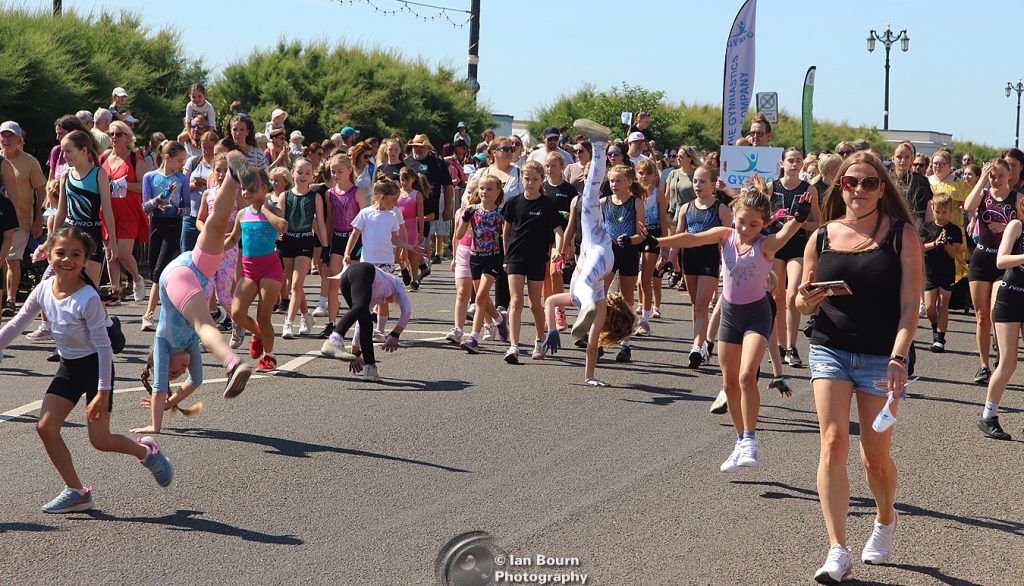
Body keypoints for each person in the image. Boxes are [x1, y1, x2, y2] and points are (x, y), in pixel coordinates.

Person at [795, 152, 921, 582]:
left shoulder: (901, 235)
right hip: (829, 347)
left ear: (882, 189)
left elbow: (910, 306)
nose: (860, 190)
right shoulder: (822, 237)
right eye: (852, 182)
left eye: (869, 183)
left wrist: (898, 356)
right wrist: (805, 298)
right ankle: (837, 550)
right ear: (840, 186)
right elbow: (798, 297)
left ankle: (886, 518)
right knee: (832, 443)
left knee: (875, 458)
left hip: (881, 358)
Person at [0, 227, 172, 513]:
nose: (67, 259)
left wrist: (102, 394)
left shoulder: (87, 299)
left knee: (100, 441)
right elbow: (17, 323)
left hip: (95, 367)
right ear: (49, 256)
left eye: (75, 254)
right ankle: (77, 492)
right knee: (46, 427)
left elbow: (104, 349)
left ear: (84, 261)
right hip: (70, 366)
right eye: (61, 253)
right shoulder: (43, 289)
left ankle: (146, 451)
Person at [540, 120, 636, 385]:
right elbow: (592, 344)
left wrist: (551, 330)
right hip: (601, 253)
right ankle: (599, 145)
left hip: (597, 246)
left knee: (590, 197)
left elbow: (549, 302)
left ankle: (599, 144)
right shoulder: (602, 306)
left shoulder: (592, 304)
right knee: (583, 284)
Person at [501, 160, 564, 363]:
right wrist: (505, 256)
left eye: (535, 179)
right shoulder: (513, 203)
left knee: (534, 303)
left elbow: (558, 231)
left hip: (537, 257)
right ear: (522, 179)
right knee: (516, 300)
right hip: (515, 256)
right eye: (527, 179)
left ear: (541, 180)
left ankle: (540, 339)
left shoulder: (546, 204)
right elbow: (506, 231)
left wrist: (558, 250)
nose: (530, 183)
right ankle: (514, 346)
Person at [226, 163, 287, 372]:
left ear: (264, 188)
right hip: (249, 269)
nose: (246, 192)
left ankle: (269, 356)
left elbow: (282, 226)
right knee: (237, 312)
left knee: (264, 315)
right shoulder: (243, 214)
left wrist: (264, 209)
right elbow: (234, 239)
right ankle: (259, 334)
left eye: (252, 188)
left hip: (270, 267)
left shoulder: (273, 209)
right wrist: (211, 248)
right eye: (244, 188)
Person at [671, 164, 731, 367]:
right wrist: (669, 258)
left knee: (703, 304)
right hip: (689, 257)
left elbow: (726, 241)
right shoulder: (685, 208)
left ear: (713, 184)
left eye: (702, 181)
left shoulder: (721, 209)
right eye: (695, 181)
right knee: (695, 304)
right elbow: (679, 236)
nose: (698, 185)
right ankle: (700, 344)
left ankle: (697, 346)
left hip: (709, 258)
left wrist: (727, 265)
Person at [962, 158, 1016, 384]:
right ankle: (984, 366)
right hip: (981, 258)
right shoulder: (984, 195)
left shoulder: (1018, 199)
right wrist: (982, 179)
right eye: (992, 175)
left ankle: (1000, 356)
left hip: (1003, 262)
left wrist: (1008, 227)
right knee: (982, 316)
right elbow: (968, 207)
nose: (995, 180)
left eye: (999, 176)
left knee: (995, 312)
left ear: (1009, 176)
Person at [767, 148, 821, 368]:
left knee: (792, 296)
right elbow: (761, 219)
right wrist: (775, 218)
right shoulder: (772, 187)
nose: (795, 164)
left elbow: (818, 223)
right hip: (777, 244)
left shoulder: (809, 189)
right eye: (790, 160)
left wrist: (798, 221)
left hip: (798, 245)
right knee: (778, 296)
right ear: (782, 163)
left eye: (799, 161)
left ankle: (792, 346)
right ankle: (780, 346)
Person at [977, 191, 1024, 440]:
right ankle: (988, 416)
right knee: (1008, 362)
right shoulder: (1016, 225)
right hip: (1011, 297)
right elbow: (1001, 260)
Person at [319, 262, 411, 381]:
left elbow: (359, 326)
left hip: (346, 279)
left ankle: (370, 368)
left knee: (365, 322)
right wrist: (395, 334)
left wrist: (355, 354)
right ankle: (334, 340)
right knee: (361, 308)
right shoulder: (395, 282)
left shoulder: (372, 294)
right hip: (363, 270)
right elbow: (407, 311)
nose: (388, 302)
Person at [52, 130, 116, 287]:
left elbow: (107, 210)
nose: (64, 156)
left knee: (90, 288)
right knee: (65, 285)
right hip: (70, 233)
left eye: (68, 151)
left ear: (84, 150)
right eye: (62, 151)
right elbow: (61, 211)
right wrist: (52, 239)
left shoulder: (98, 174)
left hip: (92, 235)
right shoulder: (65, 175)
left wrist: (112, 241)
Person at [139, 142, 190, 332]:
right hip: (156, 224)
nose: (181, 165)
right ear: (167, 157)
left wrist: (175, 208)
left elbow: (187, 209)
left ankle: (148, 314)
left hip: (173, 226)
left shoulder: (182, 179)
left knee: (159, 270)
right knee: (155, 270)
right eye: (179, 161)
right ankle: (173, 311)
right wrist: (161, 197)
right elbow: (145, 206)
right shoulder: (149, 177)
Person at [456, 175, 510, 354]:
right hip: (475, 257)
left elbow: (506, 238)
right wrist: (464, 219)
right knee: (483, 298)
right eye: (481, 188)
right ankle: (500, 320)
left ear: (497, 192)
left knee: (479, 297)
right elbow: (458, 235)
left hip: (493, 258)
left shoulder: (501, 213)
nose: (484, 192)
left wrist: (507, 258)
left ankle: (473, 337)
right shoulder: (472, 210)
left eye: (489, 189)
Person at [1, 121, 46, 317]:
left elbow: (41, 193)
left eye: (11, 136)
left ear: (20, 139)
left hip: (20, 220)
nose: (6, 140)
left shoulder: (30, 162)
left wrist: (39, 219)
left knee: (11, 258)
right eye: (3, 135)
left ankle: (10, 299)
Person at [317, 154, 366, 336]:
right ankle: (332, 322)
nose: (336, 175)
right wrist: (325, 246)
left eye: (339, 171)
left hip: (354, 238)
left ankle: (360, 320)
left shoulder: (357, 192)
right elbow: (329, 221)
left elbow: (364, 220)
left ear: (349, 171)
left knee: (353, 283)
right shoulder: (330, 194)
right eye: (333, 172)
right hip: (337, 237)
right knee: (333, 281)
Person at [100, 120, 149, 303]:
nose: (114, 137)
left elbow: (145, 186)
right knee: (110, 253)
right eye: (111, 134)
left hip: (128, 211)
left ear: (127, 137)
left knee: (122, 251)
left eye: (118, 134)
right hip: (107, 210)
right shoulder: (104, 157)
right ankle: (115, 292)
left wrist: (124, 185)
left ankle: (137, 278)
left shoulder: (135, 158)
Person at [279, 158, 327, 339]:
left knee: (298, 284)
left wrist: (325, 246)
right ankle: (307, 316)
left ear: (312, 175)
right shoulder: (285, 196)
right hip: (288, 242)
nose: (303, 176)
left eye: (308, 173)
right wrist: (277, 241)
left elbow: (320, 223)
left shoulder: (315, 197)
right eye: (300, 172)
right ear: (292, 172)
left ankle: (288, 323)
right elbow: (280, 222)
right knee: (293, 285)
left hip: (306, 241)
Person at [920, 195, 962, 353]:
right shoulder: (926, 227)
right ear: (932, 209)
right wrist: (935, 243)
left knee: (943, 305)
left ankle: (939, 339)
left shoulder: (955, 230)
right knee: (930, 308)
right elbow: (920, 247)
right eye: (938, 211)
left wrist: (945, 244)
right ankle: (935, 327)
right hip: (930, 272)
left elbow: (954, 254)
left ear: (950, 211)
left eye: (944, 212)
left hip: (947, 273)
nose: (941, 215)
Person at [634, 158, 668, 331]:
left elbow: (663, 220)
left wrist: (665, 246)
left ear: (654, 175)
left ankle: (645, 319)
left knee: (646, 279)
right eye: (641, 173)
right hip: (635, 235)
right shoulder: (632, 192)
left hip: (652, 236)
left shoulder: (658, 193)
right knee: (637, 280)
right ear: (636, 174)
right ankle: (639, 307)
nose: (644, 177)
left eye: (648, 173)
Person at [182, 129, 219, 252]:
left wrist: (208, 185)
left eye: (210, 148)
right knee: (187, 250)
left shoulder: (219, 166)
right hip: (191, 215)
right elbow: (181, 186)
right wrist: (195, 185)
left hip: (210, 217)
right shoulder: (193, 162)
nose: (207, 151)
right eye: (204, 148)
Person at [397, 166, 426, 290]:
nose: (404, 182)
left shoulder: (416, 195)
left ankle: (415, 279)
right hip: (398, 226)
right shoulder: (397, 193)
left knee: (412, 254)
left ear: (413, 180)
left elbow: (420, 215)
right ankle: (405, 271)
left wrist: (421, 232)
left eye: (406, 179)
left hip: (411, 226)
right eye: (402, 179)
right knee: (399, 254)